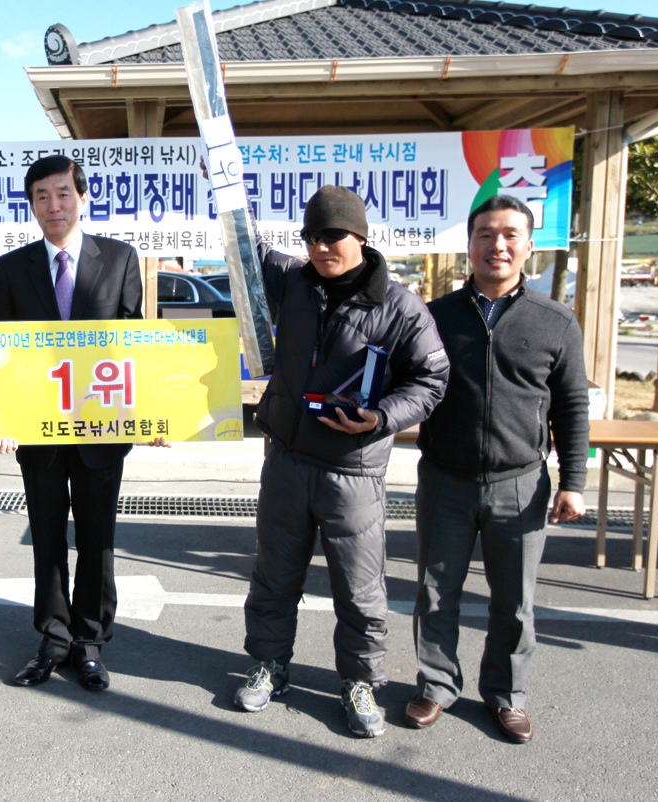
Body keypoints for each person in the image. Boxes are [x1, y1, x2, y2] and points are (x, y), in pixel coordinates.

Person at [234, 185, 449, 738]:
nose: (321, 247)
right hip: (285, 458)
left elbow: (430, 379)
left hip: (353, 470)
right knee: (274, 575)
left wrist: (379, 419)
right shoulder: (292, 282)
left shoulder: (400, 306)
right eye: (311, 237)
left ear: (360, 236)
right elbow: (245, 245)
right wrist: (224, 177)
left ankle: (360, 681)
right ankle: (269, 663)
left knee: (359, 587)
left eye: (332, 235)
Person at [408, 194, 589, 744]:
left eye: (510, 234)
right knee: (437, 593)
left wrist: (574, 482)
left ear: (530, 245)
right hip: (445, 478)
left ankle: (507, 695)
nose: (498, 245)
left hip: (521, 483)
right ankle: (436, 686)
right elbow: (409, 385)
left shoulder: (555, 320)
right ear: (469, 244)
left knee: (514, 600)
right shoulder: (435, 317)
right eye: (486, 234)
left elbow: (572, 405)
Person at [0, 155, 165, 692]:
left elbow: (135, 344)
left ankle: (89, 641)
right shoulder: (13, 267)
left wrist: (150, 415)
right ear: (32, 205)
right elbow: (1, 351)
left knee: (97, 539)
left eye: (62, 193)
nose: (53, 205)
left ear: (81, 198)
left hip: (101, 430)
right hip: (38, 432)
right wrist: (2, 416)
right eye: (41, 196)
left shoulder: (119, 259)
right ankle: (53, 638)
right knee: (46, 538)